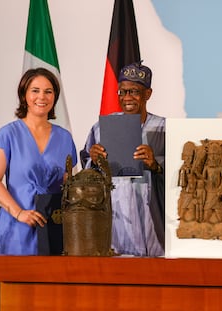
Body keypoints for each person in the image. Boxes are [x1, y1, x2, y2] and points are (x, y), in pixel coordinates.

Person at [0, 67, 77, 311]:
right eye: (35, 90)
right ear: (24, 94)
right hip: (16, 230)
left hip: (54, 229)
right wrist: (18, 213)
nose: (42, 97)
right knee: (15, 299)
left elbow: (70, 184)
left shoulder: (65, 137)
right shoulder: (8, 134)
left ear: (55, 97)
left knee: (51, 299)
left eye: (48, 91)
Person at [81, 61, 165, 257]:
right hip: (115, 225)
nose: (127, 98)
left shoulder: (163, 128)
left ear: (147, 94)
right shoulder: (101, 129)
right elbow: (86, 177)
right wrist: (93, 160)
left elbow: (181, 174)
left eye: (134, 91)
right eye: (122, 92)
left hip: (154, 227)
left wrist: (156, 165)